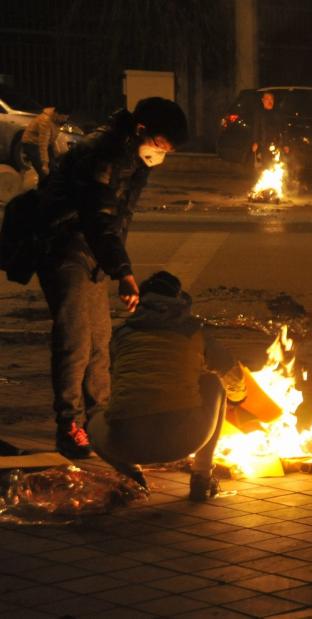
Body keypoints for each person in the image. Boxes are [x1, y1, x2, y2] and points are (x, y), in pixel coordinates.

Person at [37, 97, 187, 459]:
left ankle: (100, 420)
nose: (161, 154)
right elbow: (97, 216)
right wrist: (123, 271)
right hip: (64, 244)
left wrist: (113, 263)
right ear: (141, 130)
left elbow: (121, 216)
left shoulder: (134, 158)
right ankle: (69, 425)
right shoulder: (101, 152)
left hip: (94, 251)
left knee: (100, 341)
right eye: (161, 144)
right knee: (75, 341)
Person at [86, 271, 246, 500]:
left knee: (93, 420)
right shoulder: (194, 333)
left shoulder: (122, 335)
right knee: (213, 383)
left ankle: (132, 474)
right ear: (180, 301)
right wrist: (239, 398)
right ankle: (201, 477)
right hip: (183, 441)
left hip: (125, 444)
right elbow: (229, 370)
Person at [22, 106, 58, 183]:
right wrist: (45, 164)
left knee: (53, 168)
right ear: (57, 114)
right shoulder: (45, 120)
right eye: (64, 117)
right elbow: (43, 143)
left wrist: (55, 150)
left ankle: (49, 186)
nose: (65, 119)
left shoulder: (56, 120)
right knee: (44, 172)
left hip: (42, 143)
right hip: (31, 143)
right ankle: (43, 188)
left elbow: (51, 138)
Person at [251, 91, 283, 174]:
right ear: (263, 100)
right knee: (264, 166)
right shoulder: (259, 113)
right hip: (263, 145)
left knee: (276, 166)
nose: (270, 101)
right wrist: (255, 142)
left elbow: (283, 129)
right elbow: (256, 129)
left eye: (271, 99)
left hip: (276, 145)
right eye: (267, 99)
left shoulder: (278, 113)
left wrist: (285, 144)